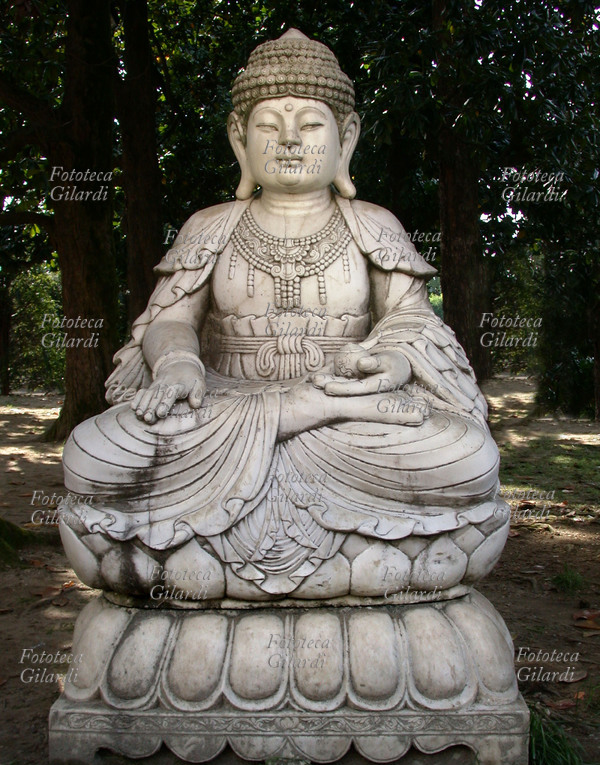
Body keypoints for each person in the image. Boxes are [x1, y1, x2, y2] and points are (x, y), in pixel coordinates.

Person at [60, 30, 508, 599]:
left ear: (346, 138)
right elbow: (170, 319)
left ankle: (201, 545)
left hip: (347, 415)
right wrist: (177, 365)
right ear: (238, 139)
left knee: (465, 457)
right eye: (269, 126)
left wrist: (392, 363)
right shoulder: (210, 226)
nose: (290, 140)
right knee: (94, 453)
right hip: (221, 406)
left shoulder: (373, 223)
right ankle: (369, 542)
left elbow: (412, 322)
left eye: (312, 126)